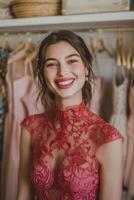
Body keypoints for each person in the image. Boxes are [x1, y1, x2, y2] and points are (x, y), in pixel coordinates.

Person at [17, 30, 124, 200]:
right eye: (52, 64)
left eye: (72, 61)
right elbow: (23, 195)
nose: (62, 72)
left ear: (86, 68)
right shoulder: (30, 128)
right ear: (43, 74)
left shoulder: (107, 138)